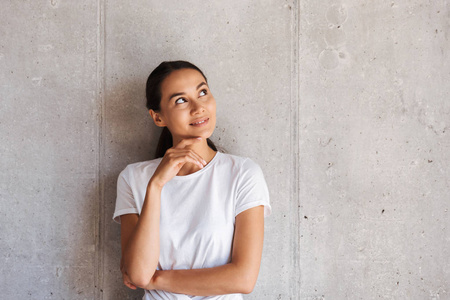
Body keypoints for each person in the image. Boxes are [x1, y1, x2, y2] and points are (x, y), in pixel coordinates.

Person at [113, 60, 271, 299]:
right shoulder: (134, 178)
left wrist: (155, 279)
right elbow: (137, 272)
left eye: (203, 92)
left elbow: (244, 278)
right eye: (181, 100)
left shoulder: (243, 174)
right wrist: (156, 186)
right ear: (158, 117)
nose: (199, 108)